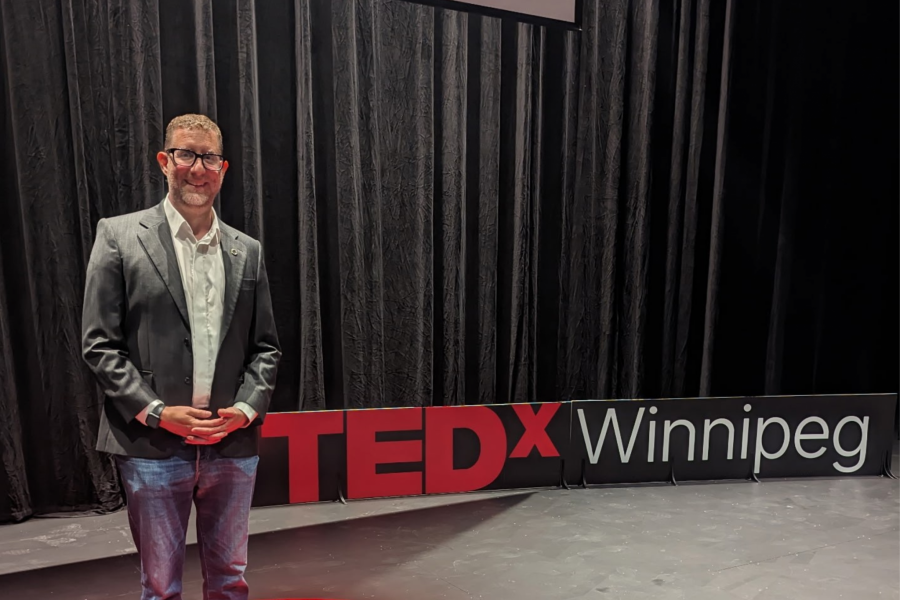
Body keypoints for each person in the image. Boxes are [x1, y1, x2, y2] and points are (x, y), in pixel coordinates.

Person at [81, 113, 281, 600]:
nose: (198, 168)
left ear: (223, 167)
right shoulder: (119, 236)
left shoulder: (247, 251)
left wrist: (245, 410)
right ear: (164, 160)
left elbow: (266, 348)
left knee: (231, 581)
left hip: (230, 446)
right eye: (187, 154)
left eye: (209, 157)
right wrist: (156, 412)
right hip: (152, 448)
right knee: (160, 586)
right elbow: (98, 343)